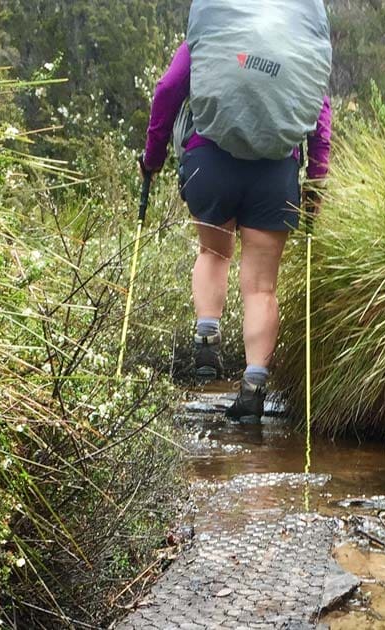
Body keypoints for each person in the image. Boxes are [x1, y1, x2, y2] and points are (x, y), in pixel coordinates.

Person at [141, 40, 332, 423]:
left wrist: (153, 157)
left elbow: (168, 89)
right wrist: (315, 180)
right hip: (274, 171)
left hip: (209, 161)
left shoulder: (211, 31)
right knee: (262, 287)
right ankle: (253, 386)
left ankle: (207, 331)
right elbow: (320, 113)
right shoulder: (297, 42)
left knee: (214, 253)